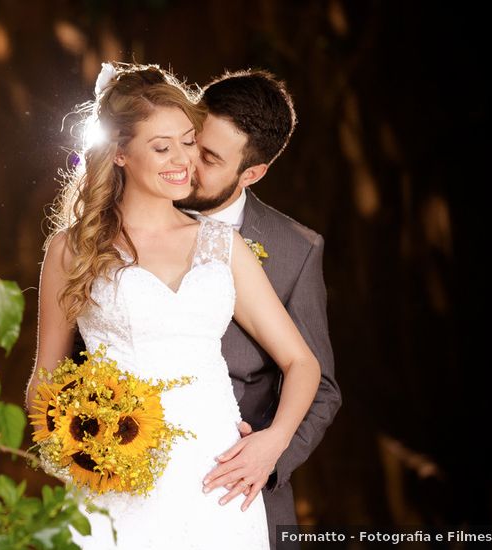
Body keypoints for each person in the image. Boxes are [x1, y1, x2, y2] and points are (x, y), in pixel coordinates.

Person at [25, 62, 320, 549]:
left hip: (216, 475)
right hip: (115, 473)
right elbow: (45, 377)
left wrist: (274, 440)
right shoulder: (71, 249)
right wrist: (75, 452)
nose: (184, 160)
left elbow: (302, 361)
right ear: (119, 153)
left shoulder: (221, 245)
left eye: (188, 141)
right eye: (162, 148)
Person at [173, 69, 342, 550]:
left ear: (252, 173)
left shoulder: (296, 249)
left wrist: (269, 453)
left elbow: (321, 385)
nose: (187, 163)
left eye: (208, 157)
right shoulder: (128, 216)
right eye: (190, 140)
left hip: (235, 490)